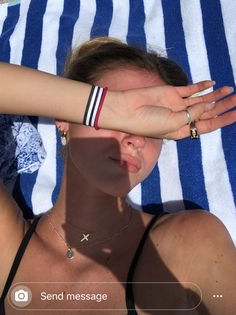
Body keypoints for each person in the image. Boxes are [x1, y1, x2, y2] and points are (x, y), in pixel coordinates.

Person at [0, 37, 235, 315]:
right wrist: (107, 107)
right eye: (122, 120)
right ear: (63, 120)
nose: (135, 138)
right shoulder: (9, 244)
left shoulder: (189, 241)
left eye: (153, 124)